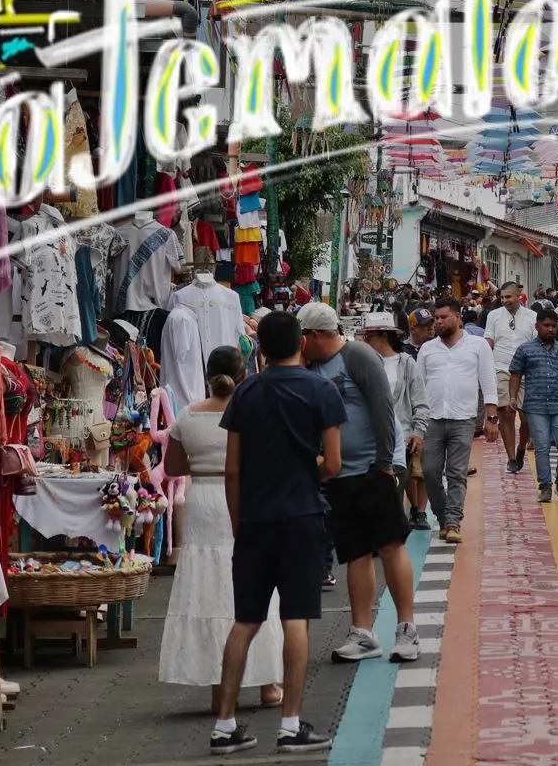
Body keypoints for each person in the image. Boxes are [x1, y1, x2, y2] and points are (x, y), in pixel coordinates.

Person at [211, 311, 342, 754]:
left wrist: (237, 520)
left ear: (259, 349)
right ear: (302, 343)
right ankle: (290, 725)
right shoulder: (321, 390)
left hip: (253, 521)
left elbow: (231, 470)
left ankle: (225, 725)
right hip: (302, 518)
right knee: (296, 619)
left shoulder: (245, 392)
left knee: (245, 620)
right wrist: (309, 475)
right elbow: (334, 463)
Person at [295, 303, 422, 664]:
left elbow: (382, 406)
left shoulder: (358, 355)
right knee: (354, 551)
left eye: (303, 338)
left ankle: (407, 628)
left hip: (373, 465)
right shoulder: (311, 365)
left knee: (390, 543)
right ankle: (362, 633)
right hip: (338, 471)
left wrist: (385, 463)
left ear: (315, 335)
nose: (300, 345)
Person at [159, 347, 283, 712]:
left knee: (209, 589)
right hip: (246, 500)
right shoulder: (256, 413)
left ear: (208, 375)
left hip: (204, 504)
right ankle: (267, 684)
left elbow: (174, 467)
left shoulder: (187, 416)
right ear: (244, 375)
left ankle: (219, 687)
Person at [416, 297, 497, 543]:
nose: (438, 323)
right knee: (429, 472)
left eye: (443, 318)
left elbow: (488, 381)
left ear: (458, 318)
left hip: (464, 419)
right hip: (432, 420)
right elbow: (418, 387)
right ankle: (442, 516)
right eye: (436, 319)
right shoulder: (428, 349)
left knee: (456, 473)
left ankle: (453, 522)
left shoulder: (478, 346)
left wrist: (492, 418)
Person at [362, 312, 432, 531]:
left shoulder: (406, 363)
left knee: (394, 489)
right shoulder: (363, 364)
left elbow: (420, 400)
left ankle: (391, 536)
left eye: (370, 337)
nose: (366, 342)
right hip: (367, 440)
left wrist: (418, 431)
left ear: (384, 336)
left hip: (399, 439)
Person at [508, 309, 558, 502]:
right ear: (537, 326)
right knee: (542, 447)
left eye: (553, 326)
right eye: (546, 325)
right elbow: (516, 374)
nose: (550, 329)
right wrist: (513, 397)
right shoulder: (525, 349)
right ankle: (545, 486)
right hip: (535, 406)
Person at [484, 283, 538, 474]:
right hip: (501, 368)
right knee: (506, 412)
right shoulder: (494, 316)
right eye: (503, 297)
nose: (505, 300)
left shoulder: (532, 317)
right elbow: (488, 341)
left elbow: (537, 343)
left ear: (519, 295)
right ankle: (511, 459)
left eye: (509, 297)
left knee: (528, 417)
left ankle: (521, 447)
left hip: (526, 370)